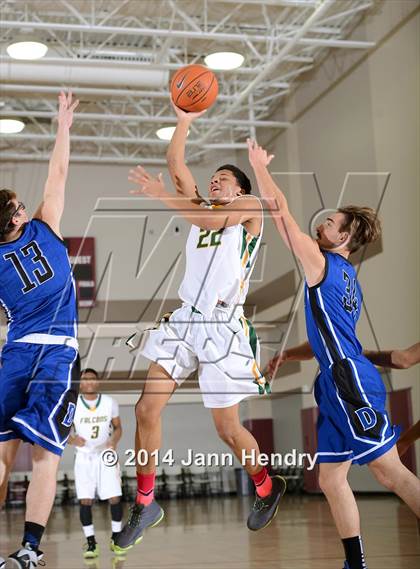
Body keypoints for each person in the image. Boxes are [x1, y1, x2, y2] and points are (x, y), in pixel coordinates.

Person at [114, 106, 285, 554]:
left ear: (241, 188)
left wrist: (160, 196)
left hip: (224, 324)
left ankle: (266, 486)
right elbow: (176, 166)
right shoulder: (199, 206)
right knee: (146, 410)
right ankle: (146, 503)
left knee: (227, 429)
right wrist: (184, 119)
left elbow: (208, 220)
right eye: (213, 179)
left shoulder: (249, 209)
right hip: (186, 317)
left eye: (224, 178)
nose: (215, 182)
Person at [246, 138, 420, 569]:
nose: (320, 226)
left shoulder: (323, 265)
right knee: (330, 477)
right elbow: (331, 338)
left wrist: (260, 169)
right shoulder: (348, 283)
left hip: (348, 380)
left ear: (344, 238)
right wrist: (290, 355)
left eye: (329, 223)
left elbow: (283, 218)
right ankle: (354, 562)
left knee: (389, 472)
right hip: (335, 377)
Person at [0, 92, 79, 569]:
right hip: (55, 355)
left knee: (4, 452)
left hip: (15, 354)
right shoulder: (46, 226)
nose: (24, 203)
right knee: (46, 455)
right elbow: (59, 174)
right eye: (17, 203)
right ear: (16, 218)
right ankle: (30, 547)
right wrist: (63, 127)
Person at [267, 342, 420, 459]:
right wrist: (405, 440)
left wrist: (405, 440)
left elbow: (403, 359)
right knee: (331, 479)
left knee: (385, 469)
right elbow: (403, 360)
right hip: (349, 373)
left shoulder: (326, 306)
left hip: (348, 376)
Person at [68, 368, 123, 558]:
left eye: (92, 379)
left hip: (105, 454)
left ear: (97, 382)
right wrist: (73, 440)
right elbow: (63, 431)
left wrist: (113, 441)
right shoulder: (73, 404)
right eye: (85, 379)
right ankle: (91, 543)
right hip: (83, 456)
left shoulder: (109, 403)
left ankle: (117, 538)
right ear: (80, 383)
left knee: (114, 496)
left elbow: (118, 428)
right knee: (86, 499)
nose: (89, 382)